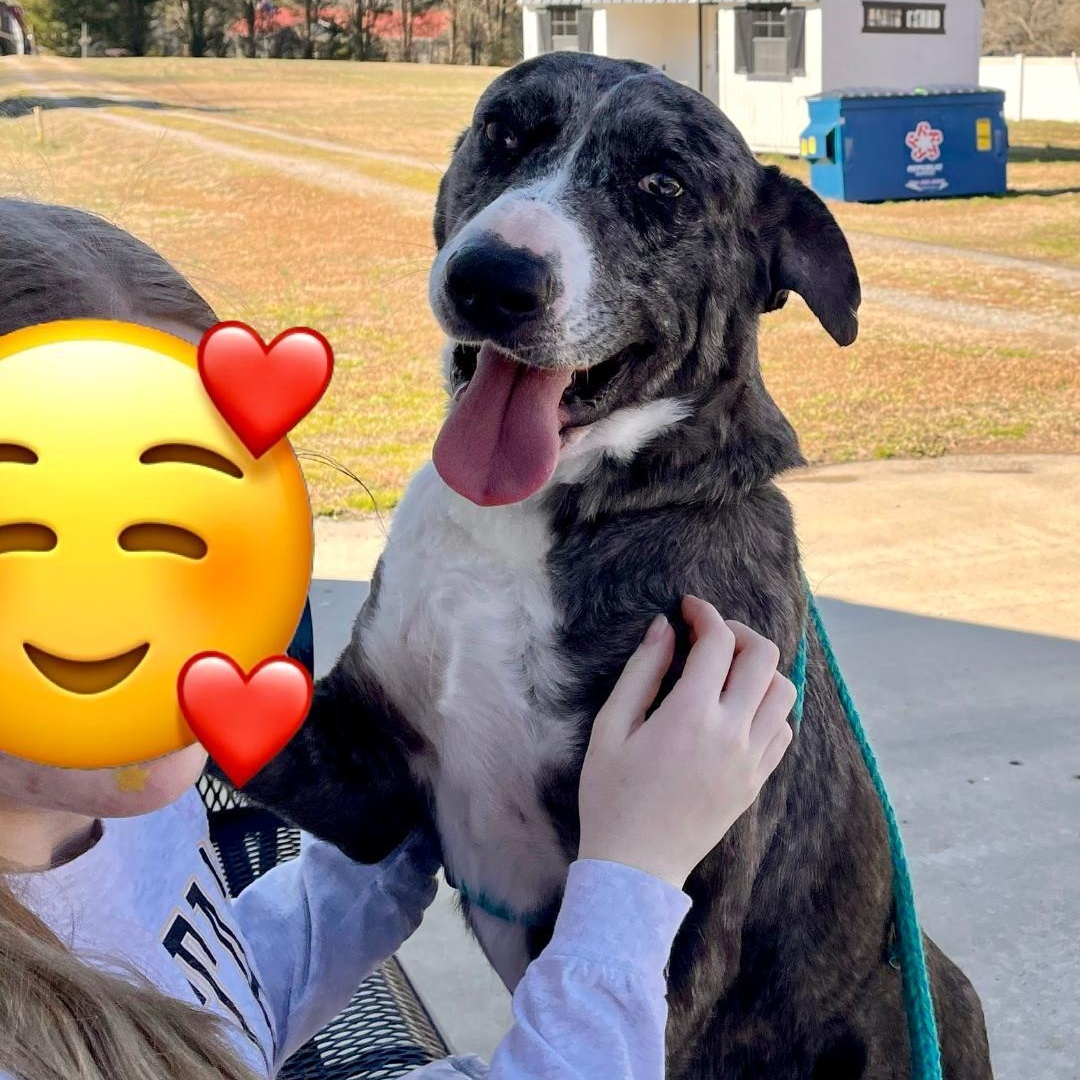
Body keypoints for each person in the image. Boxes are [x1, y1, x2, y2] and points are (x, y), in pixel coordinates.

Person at [0, 198, 797, 1080]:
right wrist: (634, 877)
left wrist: (426, 791)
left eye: (199, 528)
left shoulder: (106, 802)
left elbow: (215, 1003)